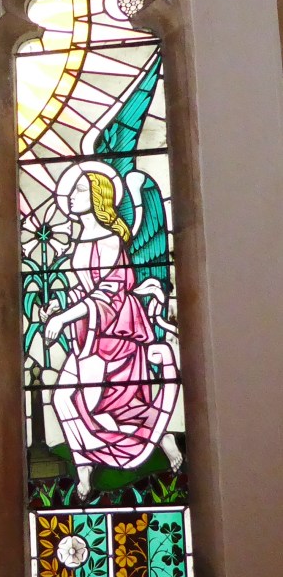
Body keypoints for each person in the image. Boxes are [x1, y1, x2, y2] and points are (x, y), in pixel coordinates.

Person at [43, 167, 181, 501]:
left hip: (114, 331)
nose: (70, 196)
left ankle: (155, 439)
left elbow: (108, 293)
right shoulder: (80, 240)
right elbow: (85, 289)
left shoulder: (109, 239)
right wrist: (59, 308)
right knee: (63, 399)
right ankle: (84, 467)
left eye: (80, 190)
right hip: (88, 331)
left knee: (98, 404)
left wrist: (65, 317)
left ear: (98, 197)